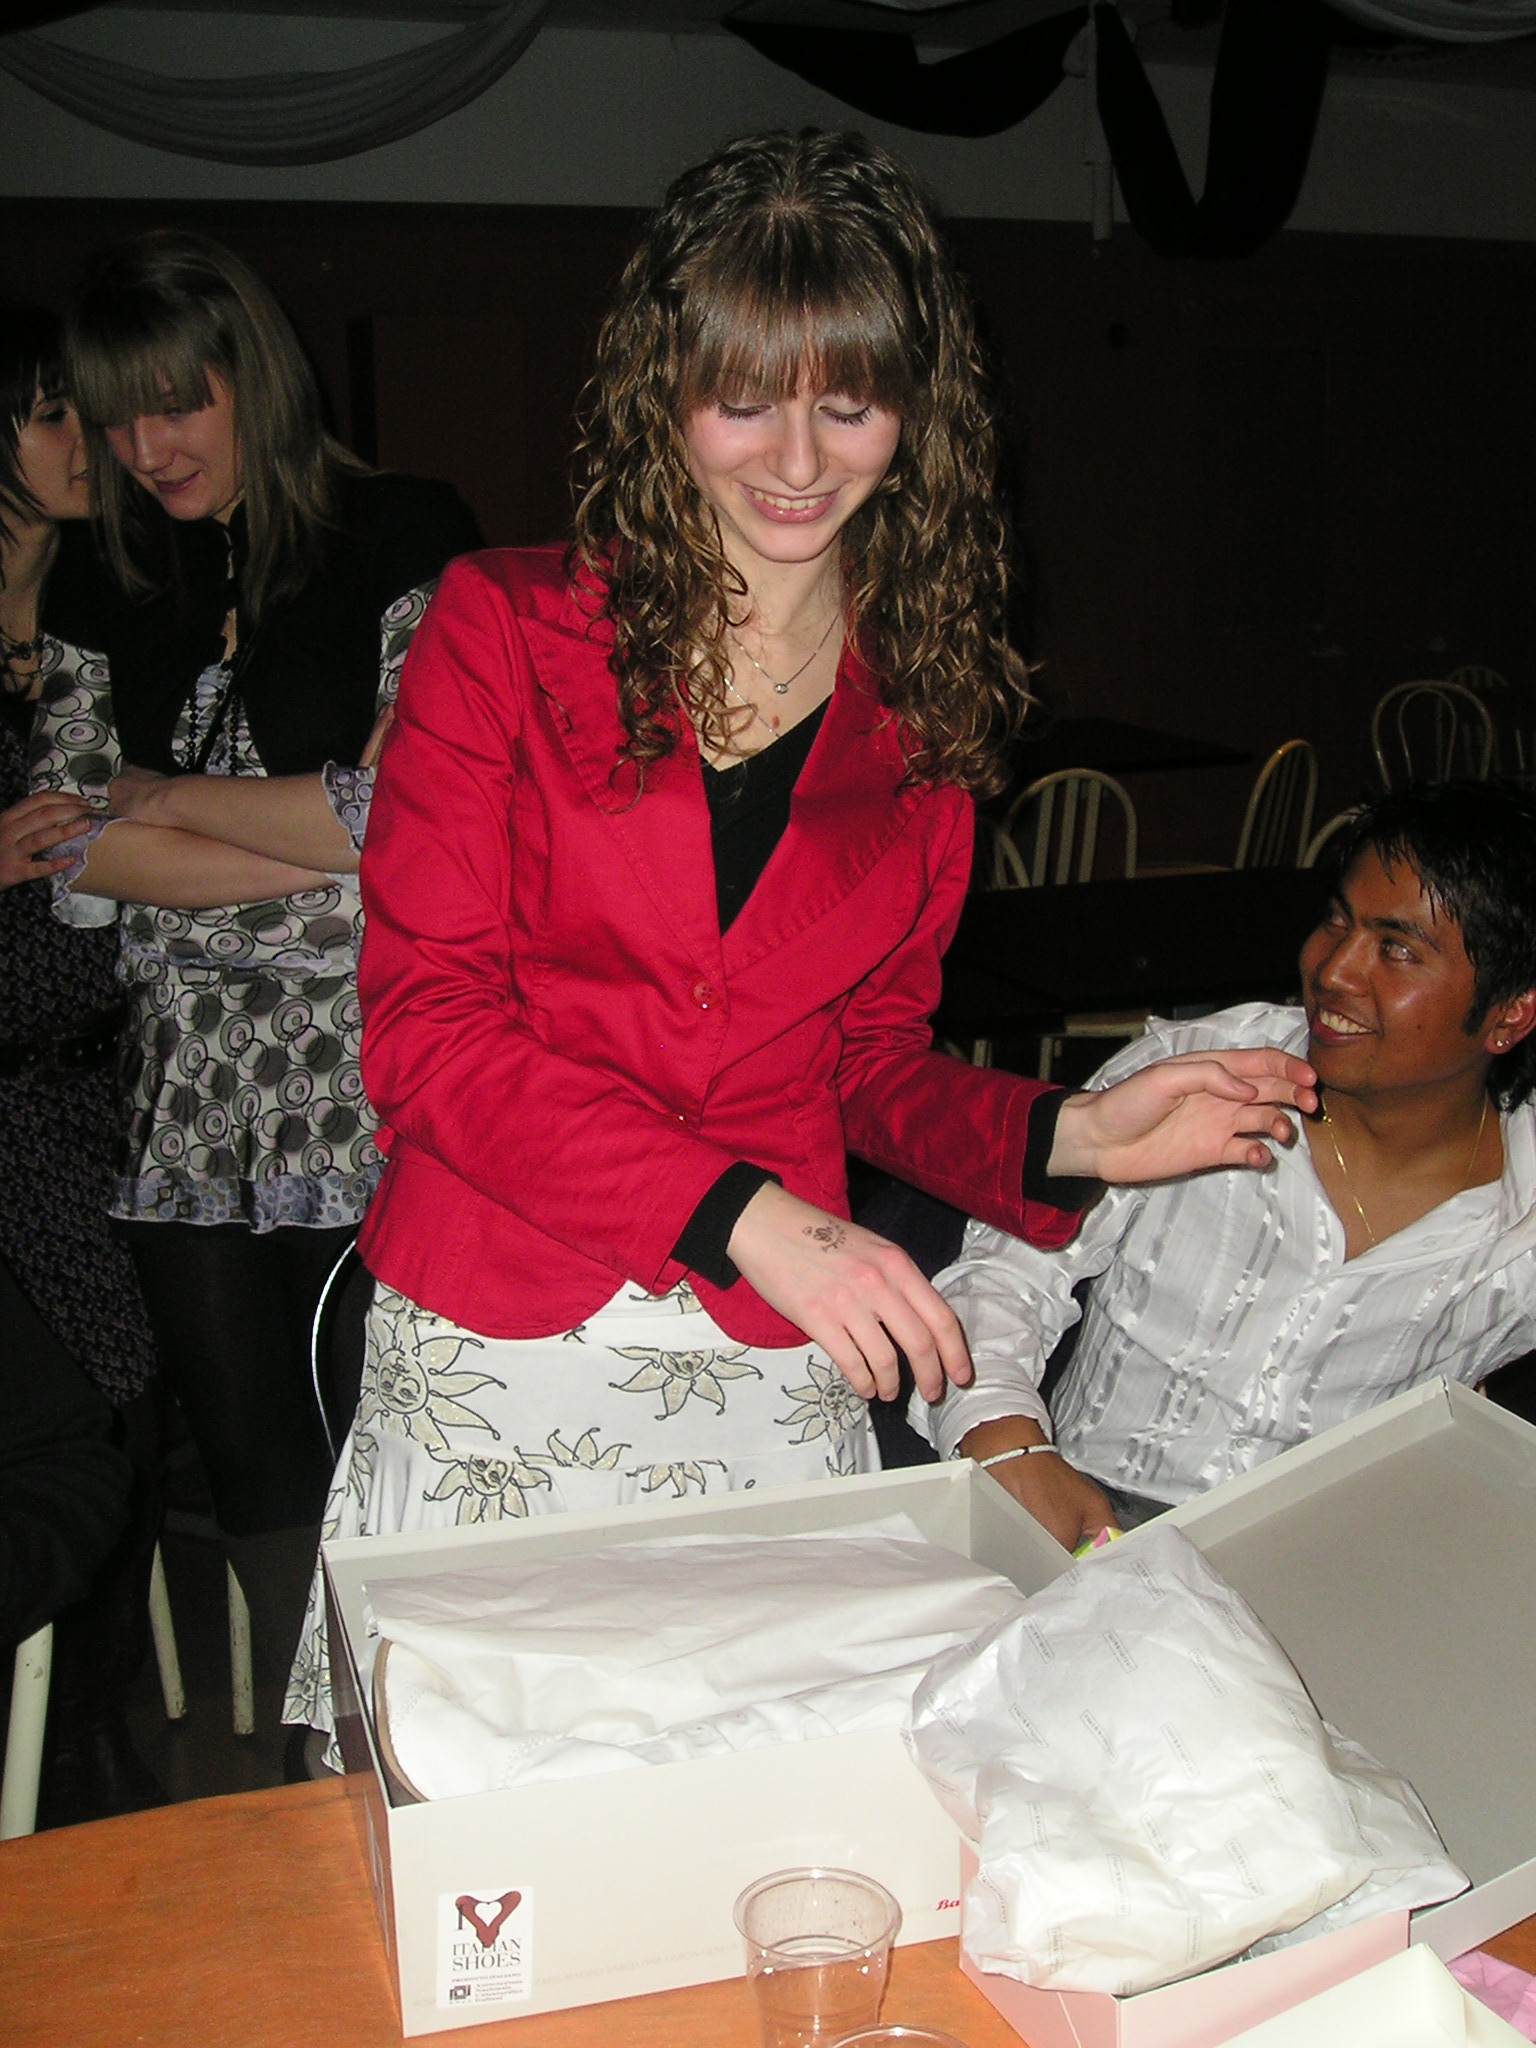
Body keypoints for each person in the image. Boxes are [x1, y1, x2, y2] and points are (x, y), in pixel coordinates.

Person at [283, 128, 1314, 1738]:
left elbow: (865, 1062)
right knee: (486, 1798)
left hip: (767, 1344)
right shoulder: (504, 629)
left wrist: (1073, 1135)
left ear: (915, 409)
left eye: (848, 403)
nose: (796, 458)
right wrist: (741, 1213)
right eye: (745, 398)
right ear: (664, 391)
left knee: (772, 1783)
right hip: (505, 1311)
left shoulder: (929, 711)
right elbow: (429, 1037)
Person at [30, 233, 480, 1704]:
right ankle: (310, 1746)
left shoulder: (401, 527)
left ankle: (412, 1730)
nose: (146, 447)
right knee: (252, 1466)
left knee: (388, 1437)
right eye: (117, 415)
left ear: (255, 378)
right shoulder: (101, 575)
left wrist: (155, 801)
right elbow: (71, 865)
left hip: (370, 1067)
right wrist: (318, 835)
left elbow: (408, 820)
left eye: (179, 402)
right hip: (184, 1092)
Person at [923, 781, 1536, 1548]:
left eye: (1397, 949)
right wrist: (1008, 1446)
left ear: (1510, 1013)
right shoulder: (1197, 1075)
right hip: (1089, 1513)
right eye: (1337, 920)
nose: (1335, 970)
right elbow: (1006, 1274)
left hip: (1311, 1565)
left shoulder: (1520, 1225)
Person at [0, 298, 168, 1821]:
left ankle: (95, 1745)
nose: (94, 442)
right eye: (57, 412)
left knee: (123, 1412)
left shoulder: (108, 607)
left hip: (106, 1077)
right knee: (78, 1415)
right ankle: (64, 1766)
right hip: (11, 1103)